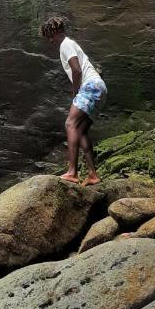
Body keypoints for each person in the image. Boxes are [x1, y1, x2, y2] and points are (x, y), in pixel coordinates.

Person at [40, 17, 107, 186]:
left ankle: (72, 172)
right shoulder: (70, 43)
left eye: (50, 36)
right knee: (81, 131)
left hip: (90, 86)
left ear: (56, 32)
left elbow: (76, 70)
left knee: (70, 123)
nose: (50, 40)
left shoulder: (66, 44)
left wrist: (76, 91)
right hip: (100, 88)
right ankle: (93, 175)